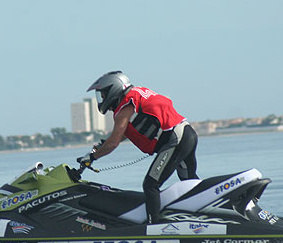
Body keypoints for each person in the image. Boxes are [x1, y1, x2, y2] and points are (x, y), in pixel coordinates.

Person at [77, 71, 199, 224]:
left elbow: (114, 143)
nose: (101, 99)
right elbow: (131, 130)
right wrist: (104, 144)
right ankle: (204, 219)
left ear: (113, 89)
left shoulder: (125, 107)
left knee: (150, 185)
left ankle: (153, 227)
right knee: (190, 184)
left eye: (102, 94)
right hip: (187, 134)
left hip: (175, 139)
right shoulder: (137, 95)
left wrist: (93, 157)